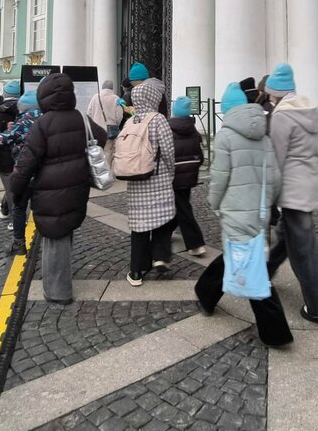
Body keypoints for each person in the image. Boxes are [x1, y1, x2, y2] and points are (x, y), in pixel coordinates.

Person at [195, 82, 292, 347]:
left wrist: (214, 203)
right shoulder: (264, 136)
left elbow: (219, 179)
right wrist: (267, 204)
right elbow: (275, 179)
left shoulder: (225, 136)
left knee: (251, 270)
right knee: (238, 255)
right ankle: (205, 293)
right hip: (258, 213)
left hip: (236, 211)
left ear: (227, 109)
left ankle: (276, 333)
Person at [11, 73, 106, 304]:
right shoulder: (80, 117)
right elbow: (102, 137)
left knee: (54, 238)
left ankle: (58, 291)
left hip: (50, 190)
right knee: (66, 229)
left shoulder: (43, 123)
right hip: (77, 185)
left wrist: (16, 187)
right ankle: (61, 281)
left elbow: (27, 161)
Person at [262, 63, 318, 330]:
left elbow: (276, 159)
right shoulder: (308, 110)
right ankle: (265, 273)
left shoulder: (281, 117)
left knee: (305, 253)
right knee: (287, 236)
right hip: (309, 186)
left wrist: (268, 195)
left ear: (275, 92)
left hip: (293, 191)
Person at [124, 78, 175, 286]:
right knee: (162, 219)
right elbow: (169, 151)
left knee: (140, 227)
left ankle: (136, 271)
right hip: (157, 178)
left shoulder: (131, 121)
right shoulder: (158, 120)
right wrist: (170, 173)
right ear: (154, 98)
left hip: (135, 181)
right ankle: (160, 258)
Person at [0, 89, 41, 255]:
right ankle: (45, 238)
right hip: (42, 172)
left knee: (19, 206)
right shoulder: (44, 117)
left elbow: (3, 140)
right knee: (40, 206)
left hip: (25, 171)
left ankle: (19, 243)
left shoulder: (25, 119)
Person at [167, 96, 206, 257]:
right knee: (180, 205)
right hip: (189, 175)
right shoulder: (193, 130)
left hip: (173, 175)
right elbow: (200, 156)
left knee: (182, 208)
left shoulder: (168, 129)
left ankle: (196, 244)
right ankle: (166, 232)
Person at [0, 80, 21, 224]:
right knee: (14, 185)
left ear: (4, 94)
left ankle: (16, 221)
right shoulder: (24, 110)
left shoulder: (0, 112)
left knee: (10, 187)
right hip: (21, 155)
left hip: (4, 157)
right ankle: (4, 208)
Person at [86, 80, 123, 168]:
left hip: (96, 130)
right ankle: (107, 171)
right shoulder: (116, 98)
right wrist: (115, 124)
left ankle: (98, 171)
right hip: (109, 130)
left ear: (102, 87)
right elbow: (119, 115)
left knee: (97, 151)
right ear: (112, 88)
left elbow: (89, 113)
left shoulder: (95, 97)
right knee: (108, 151)